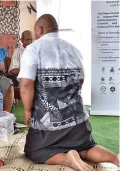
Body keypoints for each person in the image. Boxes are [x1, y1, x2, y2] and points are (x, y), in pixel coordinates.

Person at [18, 14, 119, 171]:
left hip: (48, 123)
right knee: (87, 146)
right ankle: (115, 158)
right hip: (78, 119)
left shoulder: (33, 49)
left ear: (40, 29)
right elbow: (81, 81)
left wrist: (26, 110)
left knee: (34, 150)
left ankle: (68, 158)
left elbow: (25, 85)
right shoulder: (73, 49)